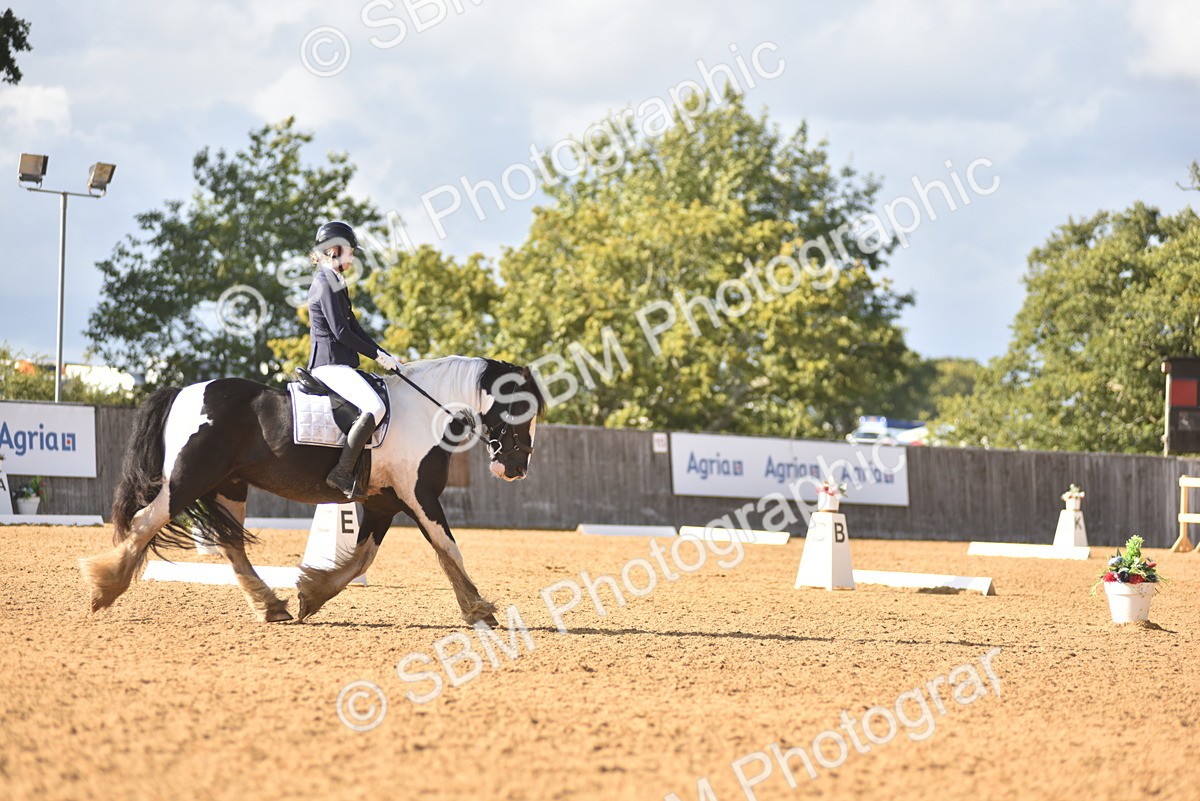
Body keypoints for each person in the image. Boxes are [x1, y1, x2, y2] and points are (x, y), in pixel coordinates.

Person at [306, 221, 401, 498]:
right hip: (329, 365)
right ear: (334, 249)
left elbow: (355, 327)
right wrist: (374, 355)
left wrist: (383, 355)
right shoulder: (325, 282)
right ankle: (342, 472)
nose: (353, 256)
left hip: (341, 364)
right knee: (375, 407)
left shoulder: (336, 280)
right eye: (350, 251)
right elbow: (340, 331)